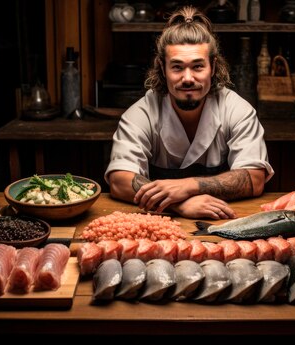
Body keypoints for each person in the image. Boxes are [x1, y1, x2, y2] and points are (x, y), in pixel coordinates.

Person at [105, 5, 274, 219]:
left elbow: (254, 178)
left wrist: (189, 186)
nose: (187, 78)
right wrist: (179, 205)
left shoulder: (237, 110)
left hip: (225, 222)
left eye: (197, 66)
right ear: (162, 67)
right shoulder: (141, 113)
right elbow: (119, 180)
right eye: (177, 67)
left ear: (212, 66)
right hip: (163, 223)